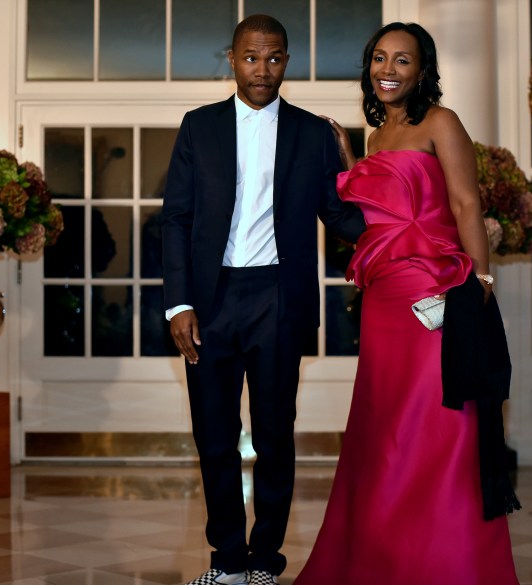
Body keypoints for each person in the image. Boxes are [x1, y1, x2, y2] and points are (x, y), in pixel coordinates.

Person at [293, 22, 520, 584]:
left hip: (435, 291)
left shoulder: (440, 121)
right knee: (382, 425)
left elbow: (467, 204)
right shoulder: (376, 136)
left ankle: (447, 559)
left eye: (402, 60)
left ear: (422, 70)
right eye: (379, 58)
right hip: (385, 299)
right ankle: (382, 558)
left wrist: (481, 280)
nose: (387, 70)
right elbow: (378, 213)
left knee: (438, 425)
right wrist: (350, 163)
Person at [161, 14, 365, 585]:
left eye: (274, 58)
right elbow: (175, 219)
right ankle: (226, 559)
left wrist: (358, 172)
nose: (262, 69)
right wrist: (179, 305)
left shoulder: (312, 133)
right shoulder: (197, 127)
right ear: (232, 59)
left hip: (279, 296)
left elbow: (342, 217)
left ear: (287, 62)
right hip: (210, 300)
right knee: (215, 434)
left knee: (275, 434)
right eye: (252, 57)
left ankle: (265, 562)